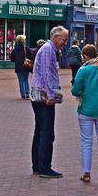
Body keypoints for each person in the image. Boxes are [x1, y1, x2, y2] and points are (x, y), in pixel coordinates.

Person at [71, 44, 98, 184]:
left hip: (86, 110)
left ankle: (86, 173)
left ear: (85, 56)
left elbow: (75, 91)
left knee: (86, 142)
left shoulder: (83, 71)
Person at [31, 25, 69, 178]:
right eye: (64, 40)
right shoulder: (48, 49)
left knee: (40, 131)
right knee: (46, 132)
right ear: (56, 37)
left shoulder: (49, 49)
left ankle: (38, 166)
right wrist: (50, 94)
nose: (65, 43)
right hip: (44, 96)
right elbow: (46, 73)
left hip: (40, 94)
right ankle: (44, 168)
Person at [11, 35, 34, 100]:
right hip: (26, 66)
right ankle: (27, 92)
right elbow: (31, 57)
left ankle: (23, 94)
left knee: (20, 81)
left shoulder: (15, 50)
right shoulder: (26, 48)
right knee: (26, 79)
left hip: (18, 67)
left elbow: (12, 59)